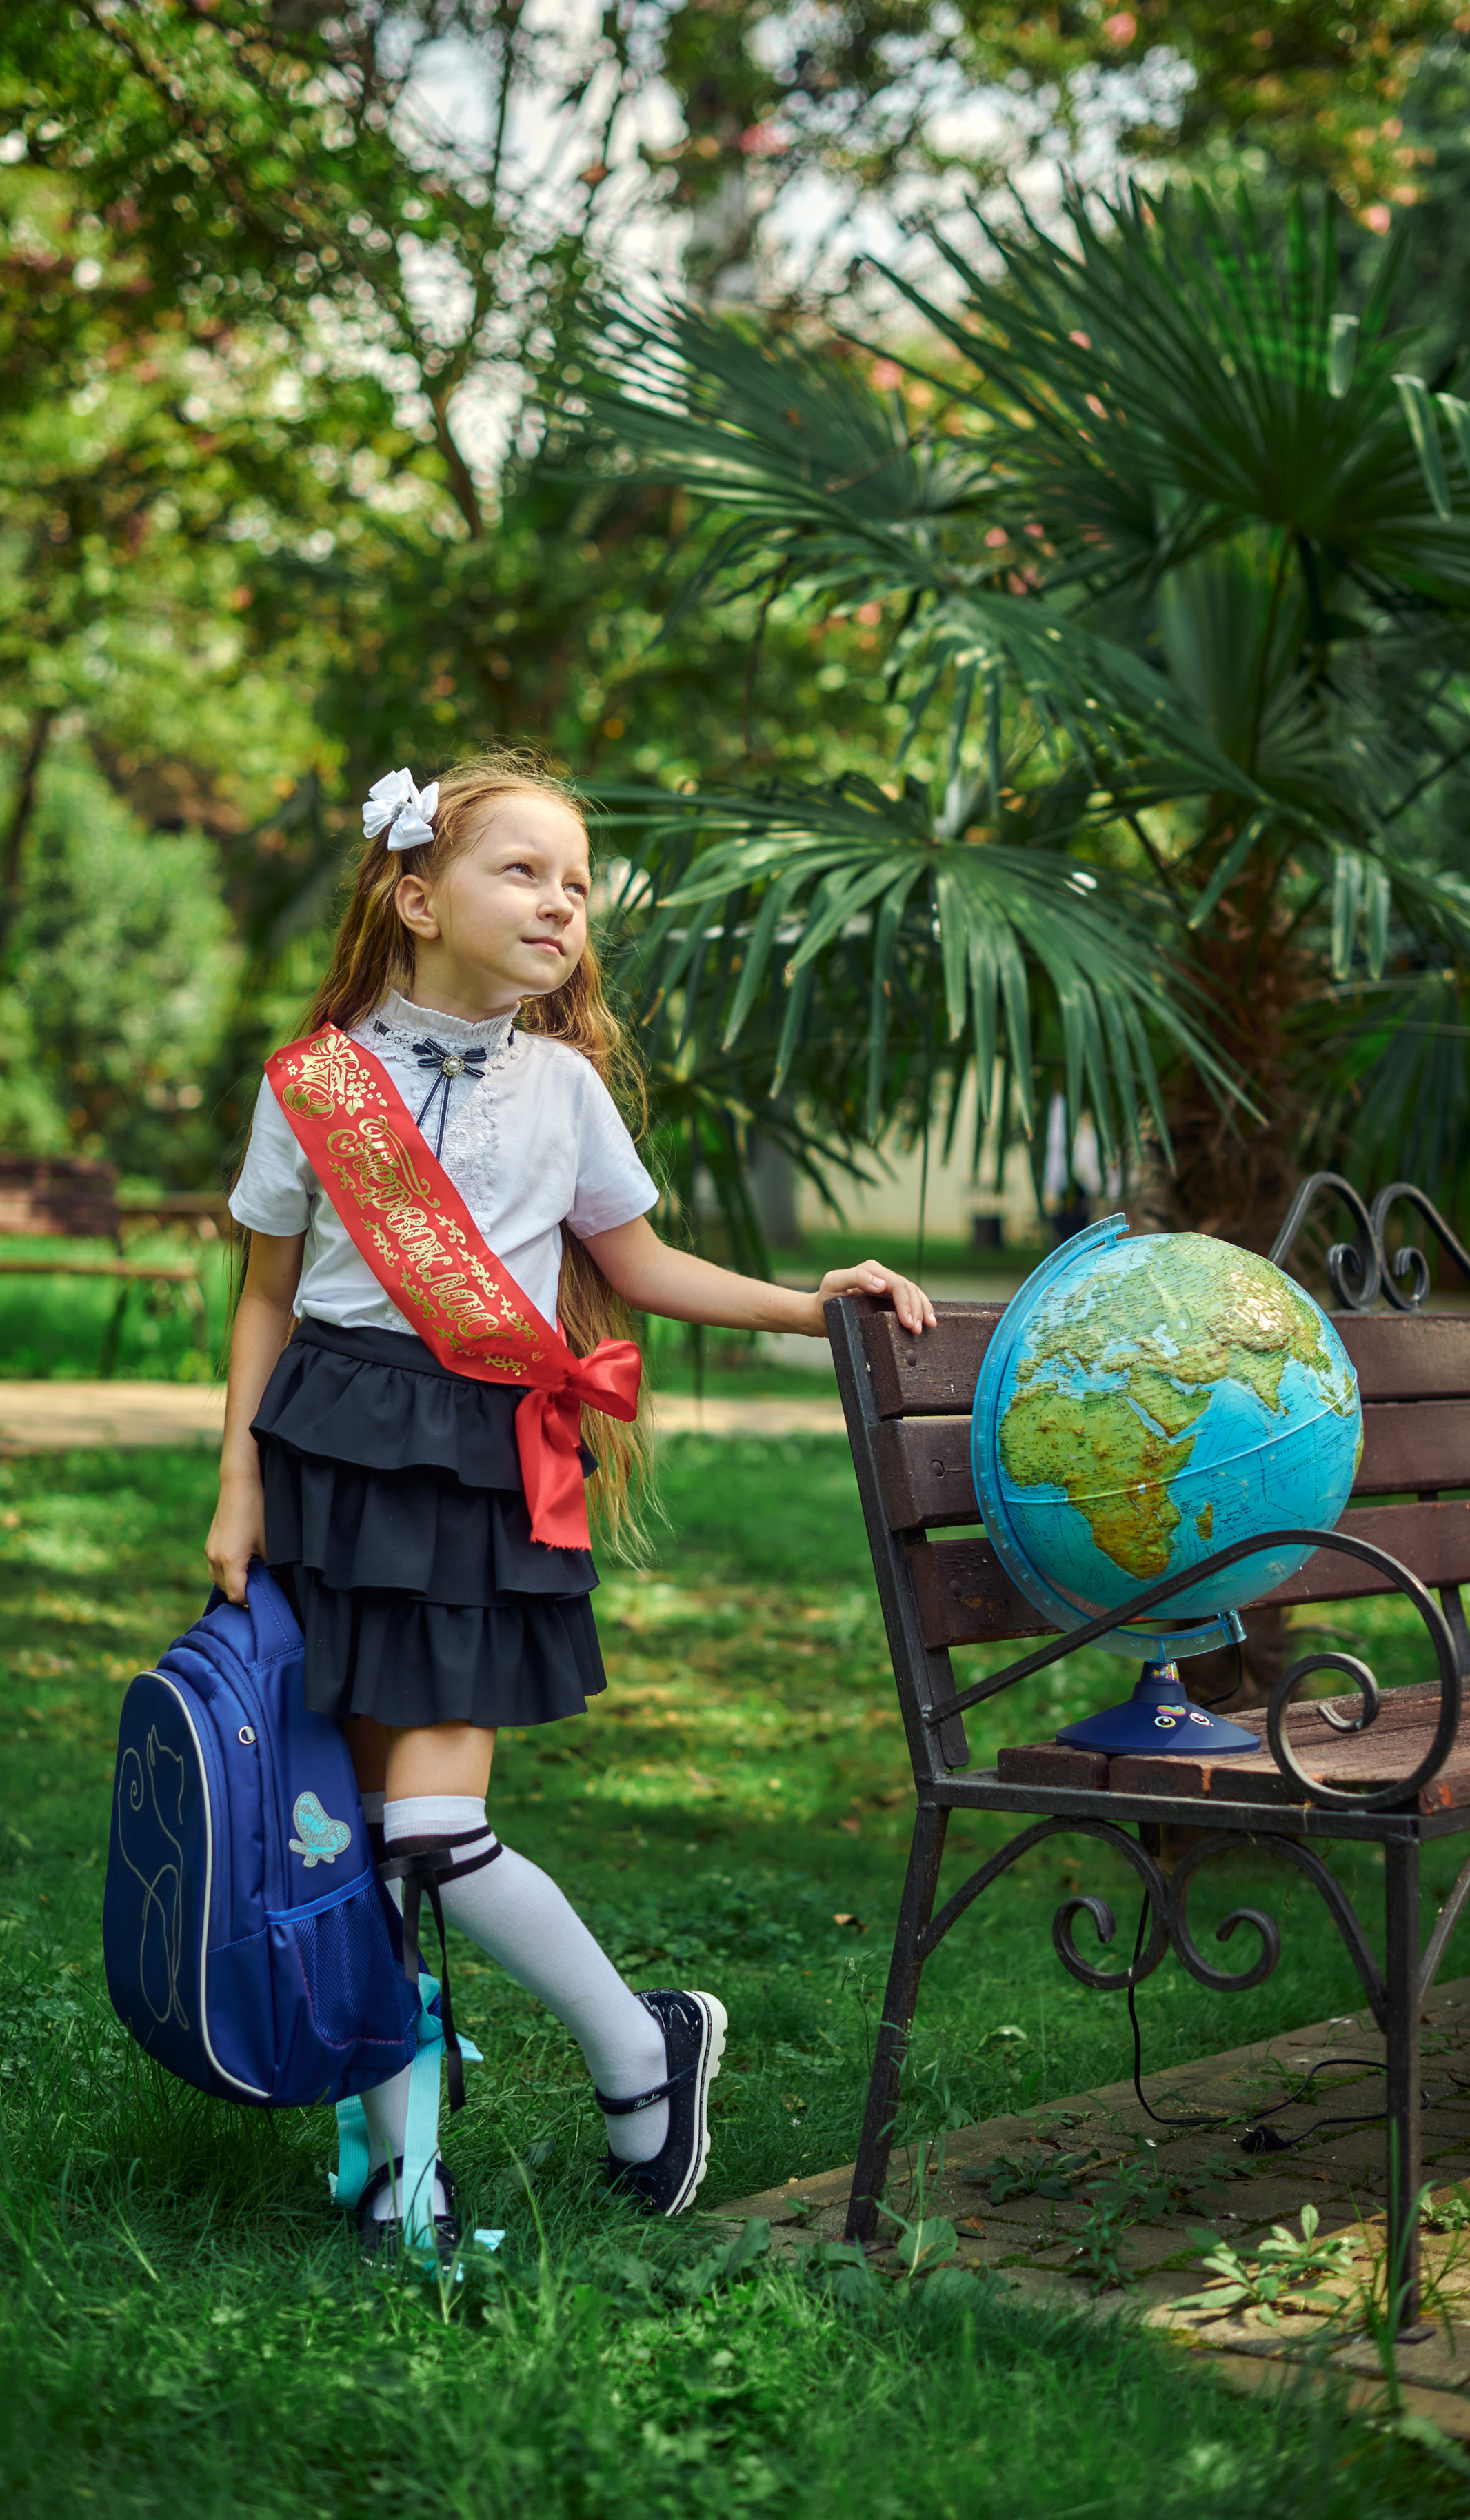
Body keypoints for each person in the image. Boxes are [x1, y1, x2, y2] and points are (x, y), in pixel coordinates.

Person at [206, 749, 934, 2257]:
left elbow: (642, 1266)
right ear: (416, 895)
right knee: (348, 1838)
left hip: (479, 1460)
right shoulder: (316, 1083)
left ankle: (638, 2048)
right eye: (522, 872)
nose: (562, 904)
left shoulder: (567, 1087)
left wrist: (814, 1303)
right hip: (329, 1456)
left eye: (578, 884)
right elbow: (266, 1291)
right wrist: (236, 1484)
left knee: (431, 1825)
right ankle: (399, 2180)